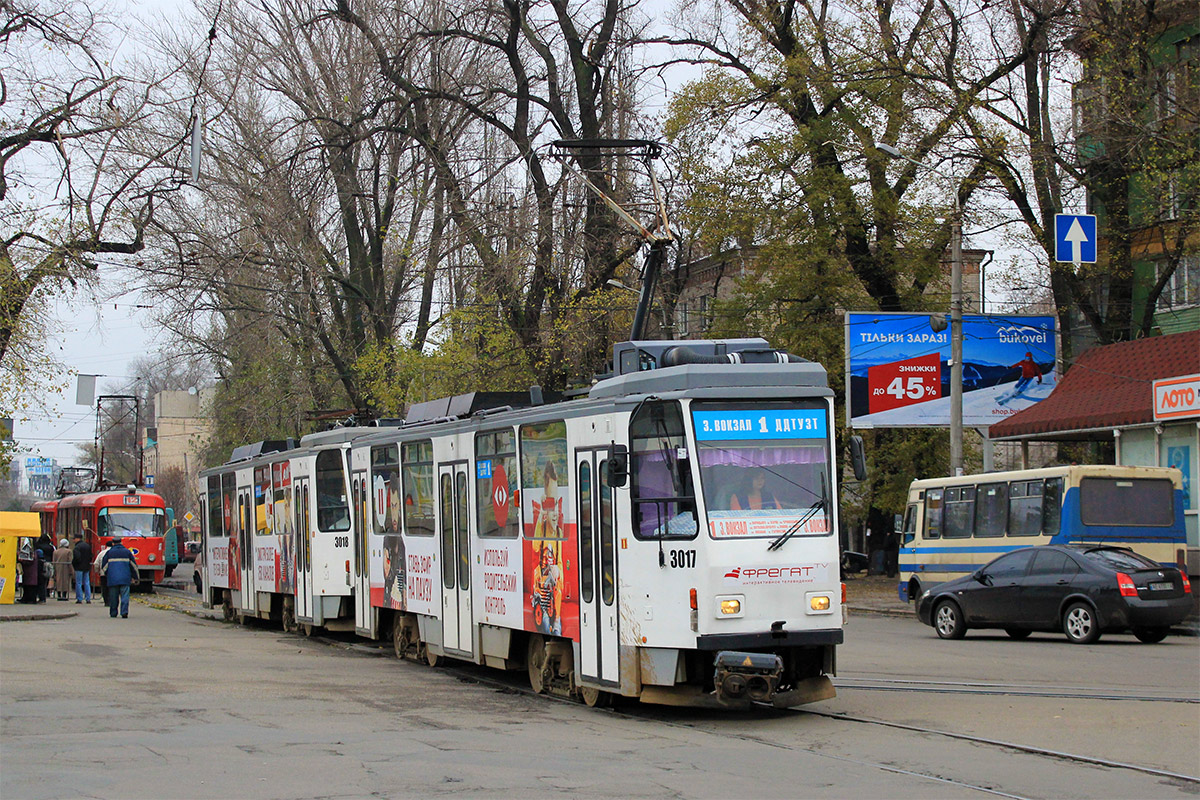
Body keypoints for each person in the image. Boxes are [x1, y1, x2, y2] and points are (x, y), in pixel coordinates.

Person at [101, 537, 139, 618]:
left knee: (113, 597)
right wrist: (135, 577)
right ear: (121, 543)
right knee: (125, 596)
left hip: (112, 579)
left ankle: (113, 613)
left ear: (113, 543)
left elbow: (104, 566)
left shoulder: (109, 553)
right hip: (125, 578)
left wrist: (108, 574)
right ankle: (124, 612)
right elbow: (134, 566)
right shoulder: (127, 552)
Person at [72, 534, 94, 604]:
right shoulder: (87, 546)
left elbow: (76, 558)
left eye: (74, 539)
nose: (73, 540)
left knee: (78, 583)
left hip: (79, 567)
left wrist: (74, 563)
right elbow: (91, 556)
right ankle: (88, 598)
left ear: (77, 539)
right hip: (87, 566)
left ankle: (79, 598)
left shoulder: (77, 547)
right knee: (87, 583)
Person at [17, 539, 40, 604]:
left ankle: (30, 599)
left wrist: (22, 561)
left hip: (30, 572)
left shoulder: (32, 553)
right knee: (28, 586)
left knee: (30, 586)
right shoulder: (34, 552)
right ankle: (27, 598)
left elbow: (30, 561)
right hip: (30, 572)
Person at [35, 533, 55, 603]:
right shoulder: (50, 547)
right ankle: (45, 595)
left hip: (39, 564)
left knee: (39, 582)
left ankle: (40, 596)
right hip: (48, 564)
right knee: (45, 580)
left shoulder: (38, 546)